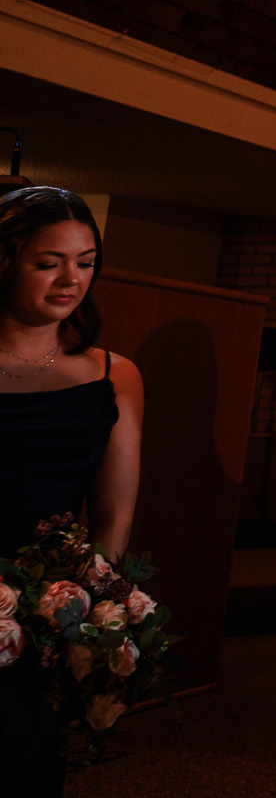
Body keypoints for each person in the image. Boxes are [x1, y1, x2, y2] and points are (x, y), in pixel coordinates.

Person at [0, 185, 144, 797]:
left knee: (26, 767)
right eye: (48, 261)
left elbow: (115, 507)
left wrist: (92, 609)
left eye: (85, 262)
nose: (71, 279)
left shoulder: (115, 374)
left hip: (50, 606)